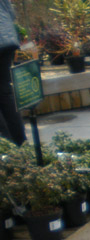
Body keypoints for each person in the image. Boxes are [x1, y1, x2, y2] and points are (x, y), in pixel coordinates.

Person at [0, 0, 26, 146]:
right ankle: (20, 141)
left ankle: (5, 146)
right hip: (7, 40)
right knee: (5, 92)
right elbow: (11, 13)